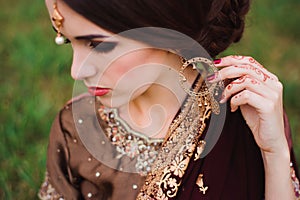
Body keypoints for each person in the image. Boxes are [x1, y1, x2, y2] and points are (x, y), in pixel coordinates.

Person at [39, 0, 300, 199]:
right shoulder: (76, 127)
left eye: (99, 45)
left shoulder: (246, 113)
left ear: (166, 30)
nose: (77, 70)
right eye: (66, 41)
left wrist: (274, 153)